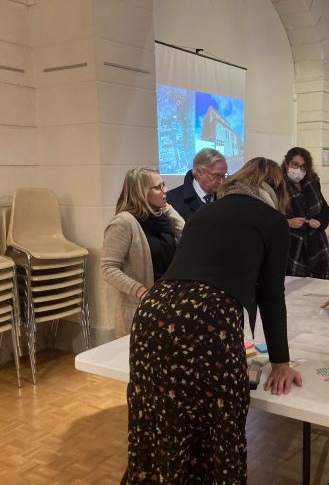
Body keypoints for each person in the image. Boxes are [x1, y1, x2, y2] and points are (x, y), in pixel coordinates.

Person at [127, 157, 303, 484]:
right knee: (214, 422)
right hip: (205, 316)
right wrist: (281, 362)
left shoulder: (205, 212)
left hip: (154, 311)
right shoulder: (273, 220)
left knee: (162, 419)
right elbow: (271, 295)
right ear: (276, 189)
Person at [101, 167, 184, 338]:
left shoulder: (161, 216)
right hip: (141, 308)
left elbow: (187, 236)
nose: (166, 190)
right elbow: (108, 268)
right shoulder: (123, 222)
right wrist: (140, 291)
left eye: (164, 185)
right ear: (141, 193)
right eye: (158, 187)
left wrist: (168, 209)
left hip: (169, 302)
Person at [282, 146, 329, 279]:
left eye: (303, 167)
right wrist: (287, 222)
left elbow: (326, 210)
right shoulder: (278, 185)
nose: (299, 170)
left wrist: (319, 221)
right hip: (291, 247)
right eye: (295, 164)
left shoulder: (312, 182)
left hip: (316, 245)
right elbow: (268, 218)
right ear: (287, 163)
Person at [166, 147, 228, 221]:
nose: (221, 182)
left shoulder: (226, 199)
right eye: (217, 176)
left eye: (223, 176)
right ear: (199, 172)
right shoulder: (171, 201)